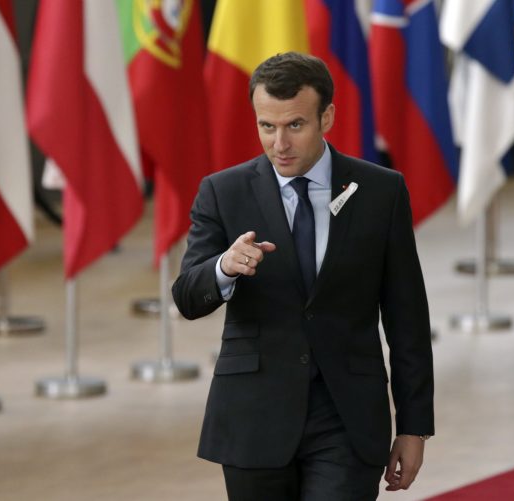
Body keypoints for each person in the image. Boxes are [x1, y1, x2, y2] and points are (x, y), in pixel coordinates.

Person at [172, 52, 434, 500]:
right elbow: (187, 298)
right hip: (254, 418)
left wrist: (414, 427)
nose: (280, 143)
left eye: (295, 125)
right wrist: (223, 267)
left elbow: (407, 317)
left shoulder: (381, 191)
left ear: (326, 117)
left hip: (347, 417)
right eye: (266, 126)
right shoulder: (223, 191)